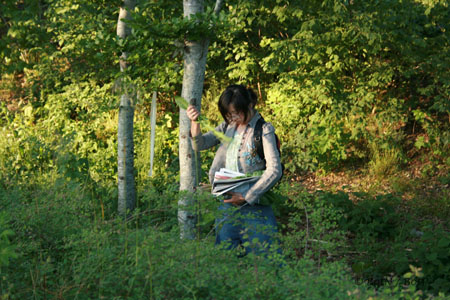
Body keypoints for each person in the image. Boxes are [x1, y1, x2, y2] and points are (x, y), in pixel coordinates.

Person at [187, 84, 282, 256]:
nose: (234, 117)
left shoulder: (263, 130)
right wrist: (195, 122)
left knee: (263, 259)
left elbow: (275, 170)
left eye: (237, 112)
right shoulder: (227, 126)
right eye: (229, 113)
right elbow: (200, 144)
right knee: (225, 258)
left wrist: (247, 196)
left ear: (250, 105)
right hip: (227, 206)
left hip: (255, 208)